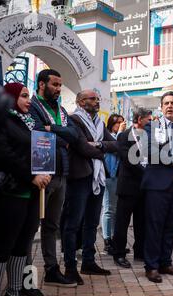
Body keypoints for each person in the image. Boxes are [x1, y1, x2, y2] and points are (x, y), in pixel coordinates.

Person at [0, 83, 51, 296]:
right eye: (23, 96)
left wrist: (44, 169)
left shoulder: (27, 122)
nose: (28, 101)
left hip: (30, 192)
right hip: (8, 192)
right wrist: (32, 175)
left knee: (22, 244)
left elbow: (35, 151)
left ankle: (13, 293)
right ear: (11, 97)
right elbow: (2, 154)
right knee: (4, 244)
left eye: (29, 96)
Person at [29, 69, 79, 288]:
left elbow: (75, 135)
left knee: (51, 225)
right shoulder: (32, 106)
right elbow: (38, 133)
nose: (59, 89)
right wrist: (60, 135)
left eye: (60, 85)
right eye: (55, 85)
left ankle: (51, 270)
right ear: (42, 84)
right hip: (40, 173)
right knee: (31, 228)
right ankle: (25, 275)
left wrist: (54, 130)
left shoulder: (61, 108)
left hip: (61, 174)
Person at [62, 90, 118, 285]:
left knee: (92, 223)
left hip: (97, 177)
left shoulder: (100, 123)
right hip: (79, 177)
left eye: (97, 98)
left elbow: (115, 144)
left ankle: (88, 261)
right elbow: (81, 147)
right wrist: (101, 152)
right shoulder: (73, 120)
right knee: (73, 224)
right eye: (92, 99)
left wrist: (99, 146)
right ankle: (70, 268)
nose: (96, 101)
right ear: (80, 101)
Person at [141, 91, 173, 283]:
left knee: (171, 226)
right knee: (155, 225)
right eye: (166, 103)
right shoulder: (151, 127)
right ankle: (152, 266)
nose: (169, 106)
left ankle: (165, 262)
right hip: (157, 183)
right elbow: (149, 150)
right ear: (161, 107)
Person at [112, 108, 152, 268]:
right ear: (140, 119)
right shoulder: (123, 136)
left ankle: (140, 251)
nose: (150, 122)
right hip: (128, 186)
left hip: (144, 187)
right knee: (122, 221)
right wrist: (147, 174)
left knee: (141, 221)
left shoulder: (148, 137)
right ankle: (119, 253)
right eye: (148, 119)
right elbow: (128, 160)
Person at [101, 114, 126, 254]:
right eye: (118, 123)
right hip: (109, 175)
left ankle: (114, 240)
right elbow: (117, 147)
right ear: (111, 124)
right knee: (109, 208)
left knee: (116, 209)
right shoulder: (108, 136)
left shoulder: (122, 135)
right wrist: (121, 132)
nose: (120, 125)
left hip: (119, 176)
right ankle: (107, 240)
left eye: (122, 123)